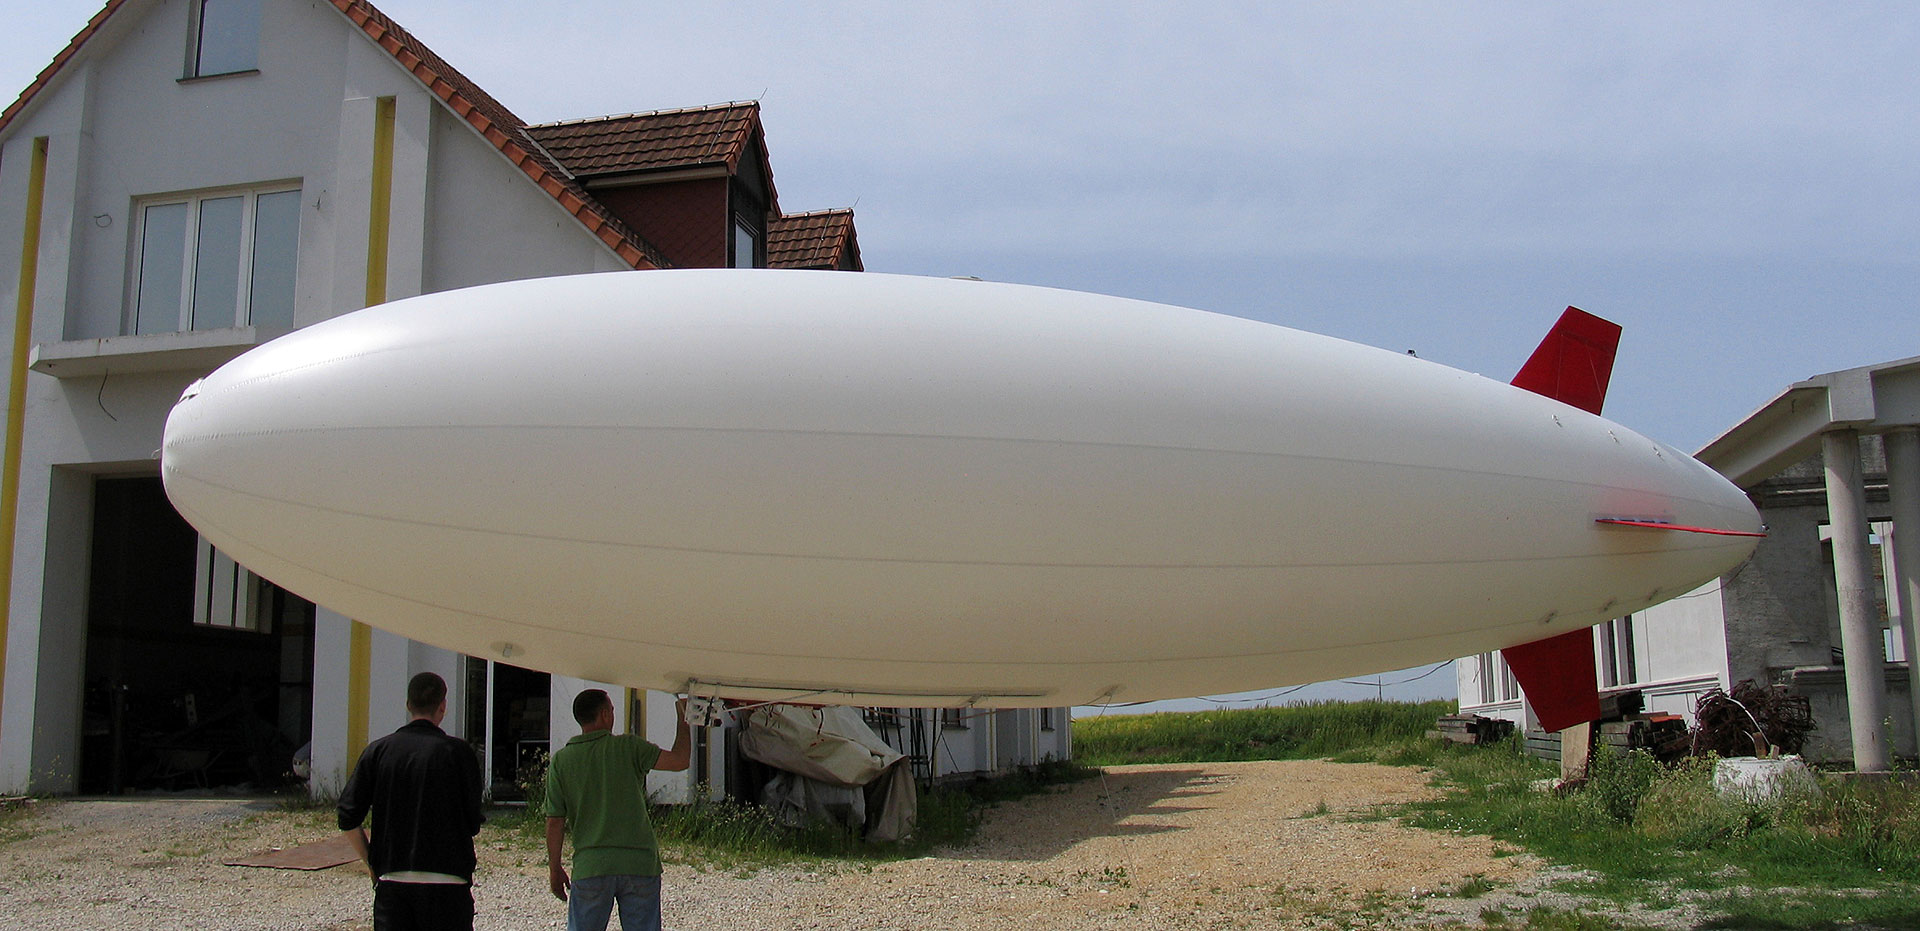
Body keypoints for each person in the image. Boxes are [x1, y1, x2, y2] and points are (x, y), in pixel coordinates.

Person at [338, 672, 485, 931]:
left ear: (408, 705)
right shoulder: (459, 753)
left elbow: (347, 816)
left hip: (394, 879)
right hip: (448, 878)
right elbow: (473, 822)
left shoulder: (379, 751)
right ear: (443, 706)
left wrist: (372, 861)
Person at [545, 689, 691, 931]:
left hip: (591, 865)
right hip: (639, 863)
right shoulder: (628, 747)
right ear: (604, 715)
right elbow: (679, 760)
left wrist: (554, 868)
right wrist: (683, 716)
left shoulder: (562, 761)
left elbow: (554, 821)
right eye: (612, 710)